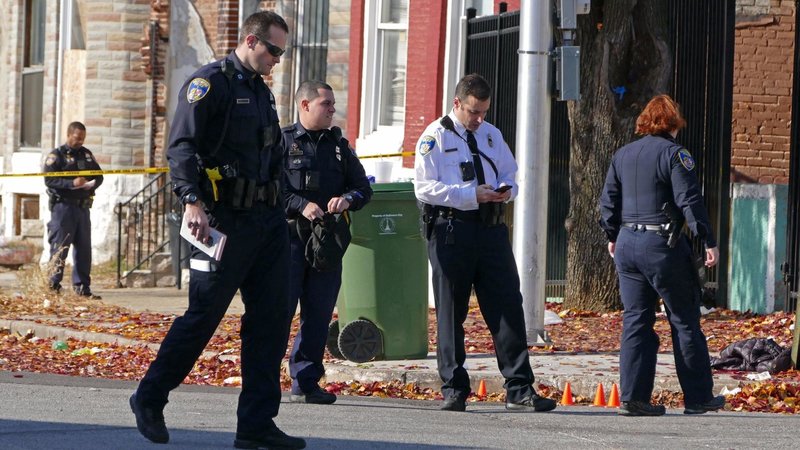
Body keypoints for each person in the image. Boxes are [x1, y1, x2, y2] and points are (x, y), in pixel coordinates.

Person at [129, 11, 306, 449]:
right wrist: (192, 201)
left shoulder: (260, 91)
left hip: (267, 223)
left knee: (271, 322)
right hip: (223, 221)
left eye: (282, 53)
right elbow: (181, 147)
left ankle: (256, 425)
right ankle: (149, 397)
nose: (278, 60)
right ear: (251, 40)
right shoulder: (209, 84)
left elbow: (270, 156)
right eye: (274, 50)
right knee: (203, 317)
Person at [414, 73, 557, 413]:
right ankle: (454, 388)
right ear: (457, 104)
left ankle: (519, 388)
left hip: (491, 230)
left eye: (484, 112)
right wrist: (469, 195)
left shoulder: (491, 135)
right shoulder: (434, 137)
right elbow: (424, 187)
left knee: (507, 305)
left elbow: (510, 173)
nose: (479, 119)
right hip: (452, 230)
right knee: (452, 311)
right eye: (473, 112)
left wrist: (506, 191)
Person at [598, 94, 726, 416]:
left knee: (636, 321)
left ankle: (633, 398)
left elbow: (608, 202)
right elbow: (689, 200)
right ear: (673, 124)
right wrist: (707, 240)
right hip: (662, 247)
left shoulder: (622, 155)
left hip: (627, 244)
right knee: (684, 320)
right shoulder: (675, 154)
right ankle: (698, 397)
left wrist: (613, 236)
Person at [282, 80, 372, 404]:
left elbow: (363, 188)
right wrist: (299, 205)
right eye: (326, 104)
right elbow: (269, 189)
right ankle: (262, 380)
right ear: (305, 105)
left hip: (325, 245)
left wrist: (347, 199)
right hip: (289, 242)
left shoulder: (338, 146)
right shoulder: (282, 142)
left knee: (319, 314)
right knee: (279, 313)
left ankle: (305, 380)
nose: (333, 110)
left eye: (333, 104)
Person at [43, 121, 103, 299]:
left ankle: (82, 288)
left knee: (84, 249)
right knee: (60, 247)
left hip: (82, 208)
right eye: (77, 138)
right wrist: (71, 183)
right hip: (63, 208)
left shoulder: (86, 155)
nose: (80, 141)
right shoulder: (57, 156)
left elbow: (99, 175)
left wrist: (91, 184)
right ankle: (53, 286)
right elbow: (49, 180)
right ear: (69, 135)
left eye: (82, 138)